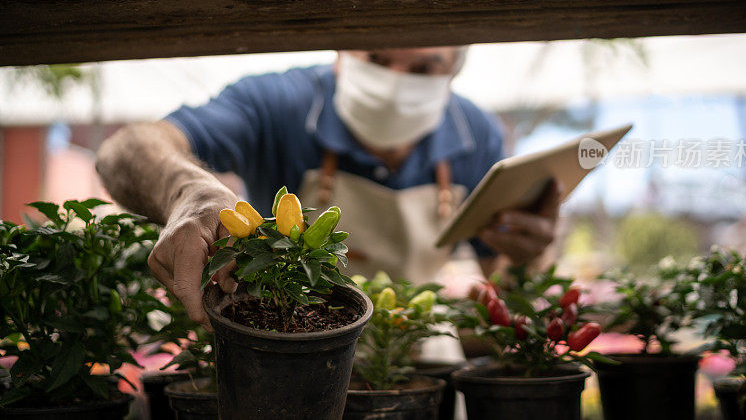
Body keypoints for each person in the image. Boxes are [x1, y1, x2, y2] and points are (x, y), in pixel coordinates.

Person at [96, 47, 561, 328]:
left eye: (423, 69)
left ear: (455, 69)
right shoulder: (277, 103)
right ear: (341, 51)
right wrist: (188, 192)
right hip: (283, 338)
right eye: (376, 59)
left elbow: (496, 270)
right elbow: (126, 150)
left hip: (405, 347)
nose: (396, 84)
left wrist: (530, 252)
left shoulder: (475, 132)